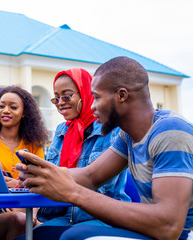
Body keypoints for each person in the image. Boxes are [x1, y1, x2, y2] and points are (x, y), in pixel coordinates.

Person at [17, 56, 193, 240]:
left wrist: (73, 193)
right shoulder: (128, 136)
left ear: (121, 95)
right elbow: (90, 176)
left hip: (189, 235)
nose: (92, 106)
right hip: (159, 232)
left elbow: (169, 226)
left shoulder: (170, 131)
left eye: (96, 97)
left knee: (76, 236)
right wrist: (42, 174)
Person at [24, 68, 130, 239]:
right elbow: (50, 179)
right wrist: (34, 180)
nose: (60, 102)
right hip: (64, 216)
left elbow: (102, 185)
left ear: (86, 93)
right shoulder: (61, 132)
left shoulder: (111, 130)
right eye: (56, 98)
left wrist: (51, 178)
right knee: (27, 236)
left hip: (103, 217)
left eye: (67, 96)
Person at [0, 85, 49, 240]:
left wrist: (33, 214)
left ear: (24, 113)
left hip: (28, 209)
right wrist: (1, 184)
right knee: (20, 221)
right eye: (1, 106)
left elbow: (40, 181)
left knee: (50, 231)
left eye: (13, 107)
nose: (5, 110)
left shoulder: (33, 144)